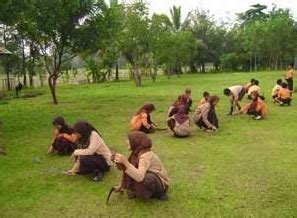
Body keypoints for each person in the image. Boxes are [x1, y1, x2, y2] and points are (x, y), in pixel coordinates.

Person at [112, 131, 169, 200]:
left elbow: (139, 177)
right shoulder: (135, 153)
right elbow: (129, 170)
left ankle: (159, 193)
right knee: (133, 171)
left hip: (161, 182)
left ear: (136, 142)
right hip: (149, 175)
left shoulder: (146, 155)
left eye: (130, 140)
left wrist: (125, 162)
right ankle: (137, 190)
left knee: (147, 179)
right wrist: (121, 186)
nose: (127, 142)